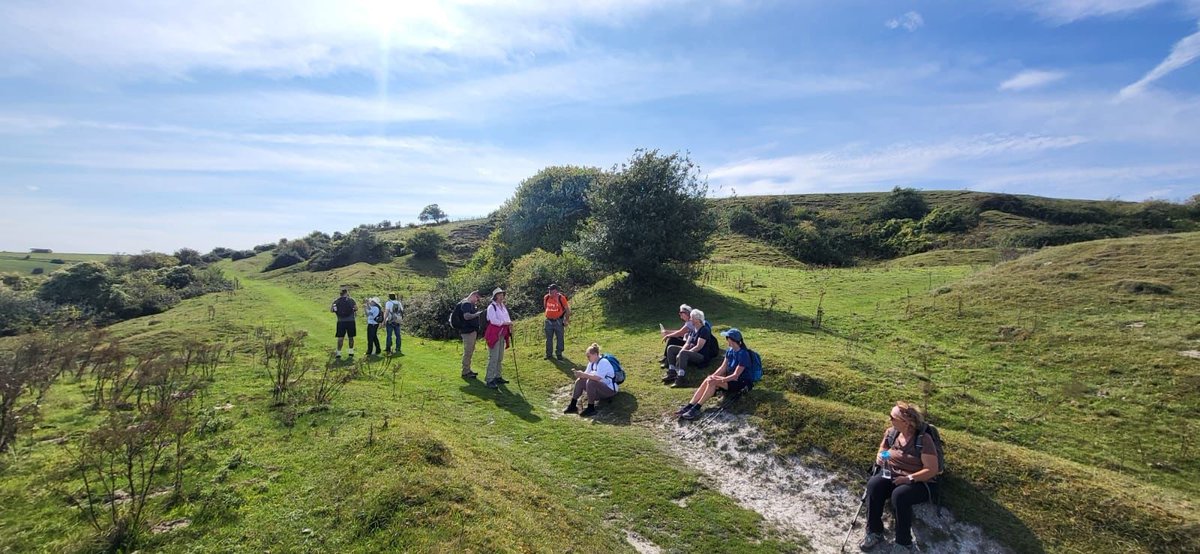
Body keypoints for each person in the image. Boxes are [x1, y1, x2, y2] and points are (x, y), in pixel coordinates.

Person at [859, 402, 940, 553]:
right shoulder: (892, 432)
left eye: (892, 417)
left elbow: (931, 470)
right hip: (892, 473)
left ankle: (903, 543)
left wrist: (908, 478)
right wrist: (882, 457)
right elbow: (884, 449)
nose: (889, 419)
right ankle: (874, 531)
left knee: (900, 496)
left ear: (906, 422)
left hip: (918, 480)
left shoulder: (924, 440)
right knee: (873, 485)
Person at [676, 328, 751, 420]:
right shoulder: (730, 350)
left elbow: (736, 375)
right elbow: (723, 368)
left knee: (713, 382)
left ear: (731, 339)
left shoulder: (743, 354)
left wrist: (719, 380)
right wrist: (713, 376)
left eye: (727, 338)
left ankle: (696, 408)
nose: (726, 340)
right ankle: (690, 405)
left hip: (740, 382)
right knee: (709, 379)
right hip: (730, 379)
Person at [663, 308, 717, 387]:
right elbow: (687, 343)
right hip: (692, 353)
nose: (690, 319)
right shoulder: (693, 330)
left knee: (684, 353)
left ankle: (680, 379)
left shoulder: (704, 330)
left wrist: (685, 352)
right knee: (671, 348)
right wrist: (682, 351)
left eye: (692, 318)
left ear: (697, 320)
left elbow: (699, 346)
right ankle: (672, 371)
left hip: (701, 356)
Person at [564, 343, 617, 417]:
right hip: (599, 389)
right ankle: (573, 405)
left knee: (591, 382)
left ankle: (591, 408)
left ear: (595, 354)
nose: (588, 358)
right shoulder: (591, 363)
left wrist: (584, 375)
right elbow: (585, 376)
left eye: (589, 356)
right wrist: (579, 374)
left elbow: (598, 378)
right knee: (580, 381)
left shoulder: (603, 362)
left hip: (610, 390)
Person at [483, 287, 513, 389]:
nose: (501, 297)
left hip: (502, 333)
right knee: (493, 357)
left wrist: (509, 324)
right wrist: (505, 323)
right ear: (495, 296)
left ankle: (498, 376)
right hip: (494, 334)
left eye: (502, 295)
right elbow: (493, 320)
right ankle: (489, 379)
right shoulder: (492, 307)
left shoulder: (502, 306)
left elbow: (507, 318)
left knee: (500, 357)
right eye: (499, 295)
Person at [453, 290, 483, 379]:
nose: (477, 301)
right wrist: (477, 314)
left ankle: (467, 369)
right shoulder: (466, 304)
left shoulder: (465, 303)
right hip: (467, 331)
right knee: (468, 352)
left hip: (469, 330)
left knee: (470, 351)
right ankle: (465, 371)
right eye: (477, 298)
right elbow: (466, 316)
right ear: (473, 295)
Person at [659, 303, 694, 368]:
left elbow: (680, 333)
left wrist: (668, 335)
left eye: (681, 312)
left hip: (690, 343)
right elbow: (681, 332)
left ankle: (667, 361)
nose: (680, 315)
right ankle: (666, 357)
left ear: (687, 313)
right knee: (673, 338)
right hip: (688, 341)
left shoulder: (690, 323)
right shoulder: (689, 322)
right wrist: (667, 332)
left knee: (672, 339)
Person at [543, 284, 570, 360]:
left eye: (552, 291)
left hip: (558, 320)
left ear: (556, 291)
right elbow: (545, 307)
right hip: (548, 321)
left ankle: (559, 354)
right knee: (548, 338)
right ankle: (549, 354)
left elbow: (567, 310)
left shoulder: (561, 298)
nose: (550, 292)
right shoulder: (546, 297)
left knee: (560, 337)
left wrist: (566, 320)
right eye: (549, 290)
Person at [330, 288, 357, 360]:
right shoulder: (351, 300)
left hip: (341, 321)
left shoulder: (336, 301)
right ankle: (351, 351)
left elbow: (332, 310)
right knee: (351, 337)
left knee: (340, 338)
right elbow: (356, 308)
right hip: (351, 321)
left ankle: (338, 352)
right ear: (346, 293)